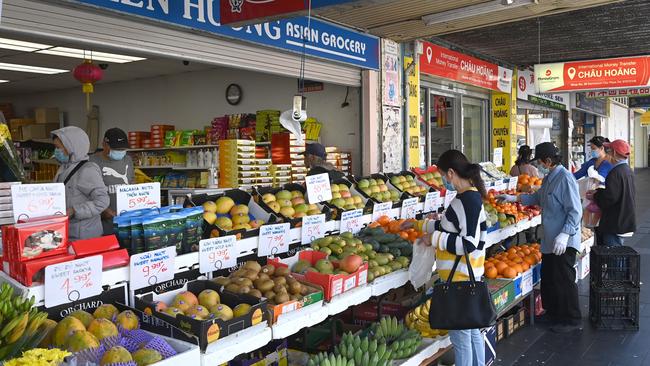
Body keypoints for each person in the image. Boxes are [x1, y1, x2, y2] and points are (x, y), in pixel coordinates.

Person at [407, 150, 488, 366]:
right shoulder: (467, 198)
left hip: (460, 279)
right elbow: (448, 226)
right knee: (472, 334)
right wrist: (417, 225)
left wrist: (433, 239)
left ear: (451, 173)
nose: (443, 180)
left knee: (462, 340)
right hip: (467, 276)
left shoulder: (467, 201)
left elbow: (468, 243)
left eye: (443, 175)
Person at [498, 142, 582, 333]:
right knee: (550, 277)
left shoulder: (565, 178)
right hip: (549, 239)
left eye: (541, 162)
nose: (539, 166)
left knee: (564, 279)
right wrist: (515, 199)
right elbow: (538, 198)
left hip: (563, 241)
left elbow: (575, 212)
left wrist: (565, 233)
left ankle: (571, 319)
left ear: (549, 161)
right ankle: (553, 312)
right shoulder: (549, 178)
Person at [52, 126, 109, 241]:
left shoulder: (87, 170)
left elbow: (102, 201)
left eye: (58, 147)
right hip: (68, 233)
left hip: (84, 236)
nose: (56, 151)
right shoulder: (64, 168)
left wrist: (74, 210)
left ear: (71, 147)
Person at [590, 140, 636, 246]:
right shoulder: (627, 170)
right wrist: (600, 191)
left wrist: (595, 195)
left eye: (609, 150)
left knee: (613, 256)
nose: (607, 154)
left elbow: (609, 198)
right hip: (625, 219)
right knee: (618, 255)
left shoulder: (615, 172)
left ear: (614, 153)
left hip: (615, 222)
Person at [89, 128, 135, 235]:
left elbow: (132, 182)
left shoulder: (127, 160)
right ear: (104, 144)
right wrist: (103, 210)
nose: (120, 152)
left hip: (126, 221)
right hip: (103, 223)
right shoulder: (91, 162)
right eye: (116, 149)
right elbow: (86, 193)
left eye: (123, 149)